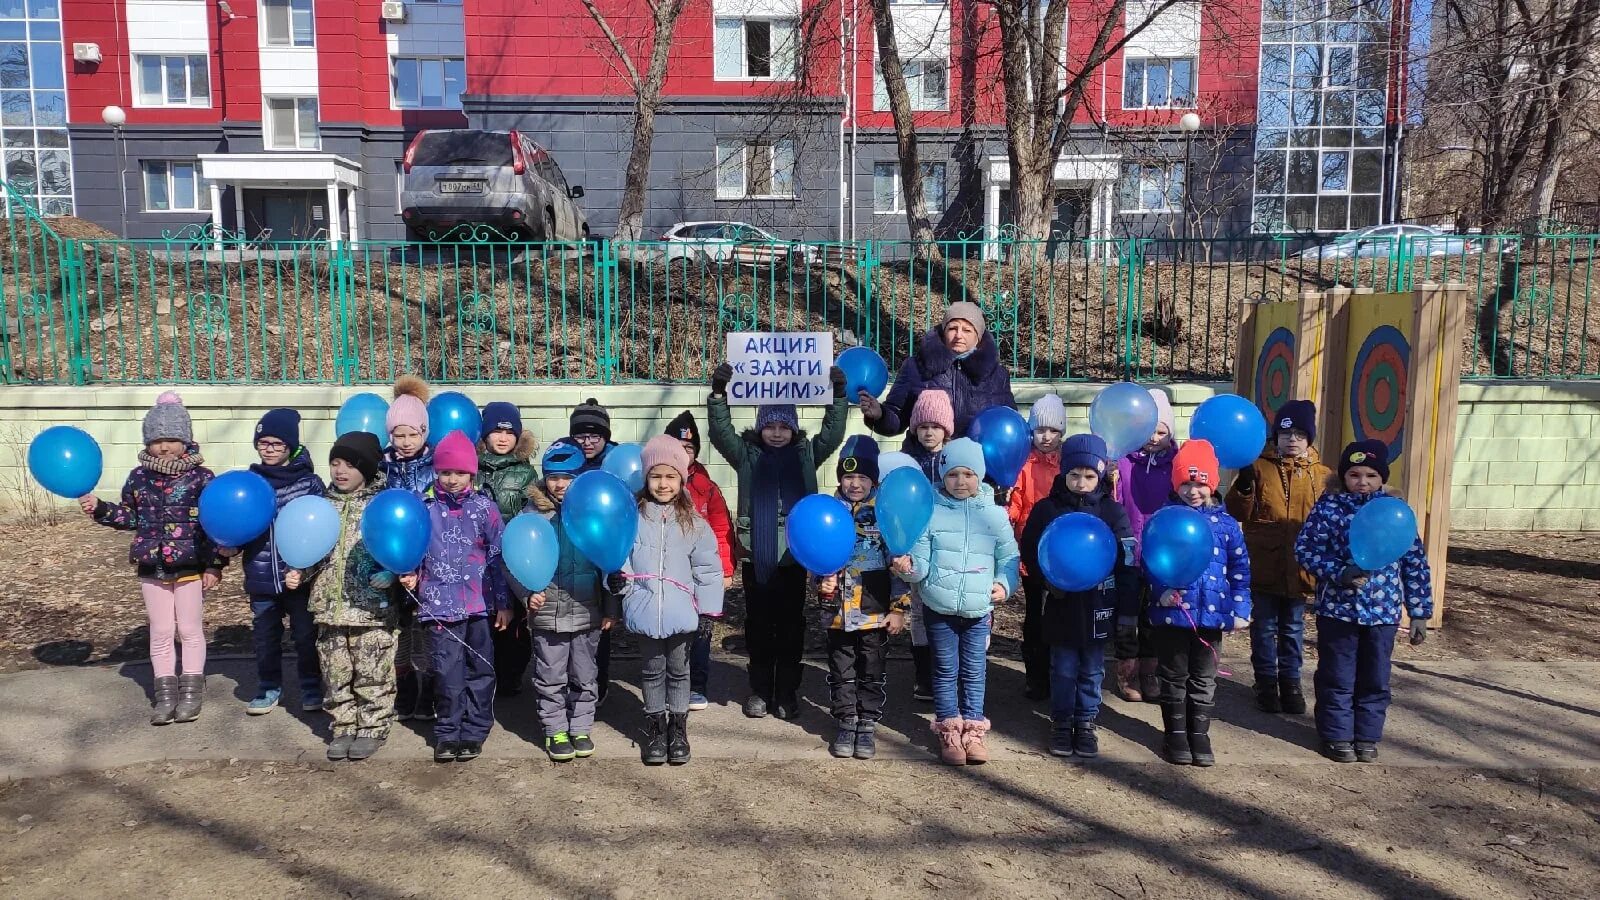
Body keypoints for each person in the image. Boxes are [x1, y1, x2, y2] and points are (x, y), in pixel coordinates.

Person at [708, 362, 849, 721]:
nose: (775, 433)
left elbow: (832, 435)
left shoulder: (806, 454)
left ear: (793, 429)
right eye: (769, 426)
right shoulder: (747, 455)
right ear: (759, 428)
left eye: (783, 426)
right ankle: (759, 689)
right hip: (759, 555)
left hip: (795, 556)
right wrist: (719, 395)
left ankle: (786, 690)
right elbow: (721, 433)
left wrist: (838, 396)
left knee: (790, 627)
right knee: (757, 625)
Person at [80, 392, 224, 726]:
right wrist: (100, 509)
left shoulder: (202, 478)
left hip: (190, 566)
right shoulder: (138, 477)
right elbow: (130, 517)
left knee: (189, 628)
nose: (164, 447)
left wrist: (215, 565)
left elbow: (217, 526)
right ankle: (165, 696)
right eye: (157, 440)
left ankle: (191, 692)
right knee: (160, 630)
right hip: (151, 566)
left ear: (185, 440)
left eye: (172, 439)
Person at [1294, 440, 1432, 764]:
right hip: (1338, 612)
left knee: (1375, 678)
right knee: (1337, 676)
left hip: (1382, 614)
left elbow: (1414, 563)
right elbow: (1305, 550)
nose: (1363, 482)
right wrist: (1339, 572)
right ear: (1344, 476)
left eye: (1371, 474)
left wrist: (1419, 612)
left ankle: (1367, 736)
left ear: (1382, 477)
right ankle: (1336, 735)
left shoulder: (1397, 512)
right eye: (1354, 474)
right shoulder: (1329, 507)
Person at [898, 438, 1020, 767]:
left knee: (974, 670)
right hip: (940, 607)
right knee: (944, 669)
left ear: (980, 476)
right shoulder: (930, 514)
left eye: (968, 474)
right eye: (953, 474)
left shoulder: (995, 516)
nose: (961, 482)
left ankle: (973, 730)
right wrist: (909, 569)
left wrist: (1004, 584)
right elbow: (921, 564)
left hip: (979, 609)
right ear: (942, 476)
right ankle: (949, 728)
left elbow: (1009, 557)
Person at [1019, 434, 1137, 759]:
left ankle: (1085, 722)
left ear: (1100, 475)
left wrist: (1126, 611)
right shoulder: (1047, 510)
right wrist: (1047, 580)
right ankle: (1061, 721)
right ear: (1063, 473)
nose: (1081, 482)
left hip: (1099, 605)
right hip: (1060, 603)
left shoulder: (1113, 513)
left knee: (1092, 669)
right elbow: (1031, 548)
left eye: (1089, 476)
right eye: (1074, 475)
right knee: (1063, 667)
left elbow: (1127, 560)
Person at [609, 436, 725, 765]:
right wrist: (618, 583)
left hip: (682, 613)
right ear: (646, 478)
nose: (663, 484)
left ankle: (678, 729)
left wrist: (708, 611)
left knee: (679, 670)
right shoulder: (631, 519)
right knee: (651, 670)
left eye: (670, 476)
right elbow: (619, 559)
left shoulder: (695, 525)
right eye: (656, 476)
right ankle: (656, 728)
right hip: (645, 610)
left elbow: (708, 569)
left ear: (682, 479)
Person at [399, 431, 506, 764]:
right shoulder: (423, 507)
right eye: (446, 472)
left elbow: (499, 557)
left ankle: (474, 730)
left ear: (471, 473)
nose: (453, 479)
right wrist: (410, 572)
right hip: (438, 604)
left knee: (480, 670)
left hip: (479, 604)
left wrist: (503, 603)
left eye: (460, 472)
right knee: (447, 672)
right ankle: (447, 731)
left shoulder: (485, 509)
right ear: (437, 472)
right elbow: (411, 546)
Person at [1146, 439, 1251, 768]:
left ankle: (1200, 732)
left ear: (1212, 483)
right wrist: (1160, 589)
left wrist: (1240, 608)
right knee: (1174, 674)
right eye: (1186, 483)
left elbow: (1240, 569)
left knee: (1204, 677)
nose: (1193, 491)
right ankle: (1175, 732)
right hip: (1173, 613)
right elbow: (1149, 559)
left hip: (1213, 615)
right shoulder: (1164, 519)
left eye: (1200, 482)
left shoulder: (1227, 525)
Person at [294, 432, 397, 761]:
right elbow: (311, 550)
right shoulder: (322, 507)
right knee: (335, 669)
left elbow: (402, 546)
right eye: (335, 463)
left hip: (370, 607)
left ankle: (373, 724)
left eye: (349, 465)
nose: (340, 471)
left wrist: (393, 573)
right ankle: (343, 725)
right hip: (329, 606)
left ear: (366, 468)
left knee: (372, 669)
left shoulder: (381, 506)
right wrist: (301, 570)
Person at [1225, 399, 1331, 715]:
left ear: (1309, 437)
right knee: (1264, 627)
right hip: (1264, 566)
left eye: (1300, 433)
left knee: (1293, 629)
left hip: (1300, 569)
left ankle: (1291, 683)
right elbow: (1236, 512)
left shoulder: (1323, 475)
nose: (1292, 439)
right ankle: (1266, 683)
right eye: (1286, 433)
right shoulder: (1259, 467)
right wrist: (1244, 485)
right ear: (1275, 436)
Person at [519, 440, 617, 762]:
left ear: (580, 477)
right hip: (548, 613)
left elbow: (609, 561)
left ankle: (581, 726)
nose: (560, 484)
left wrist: (611, 606)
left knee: (585, 675)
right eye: (553, 477)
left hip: (588, 611)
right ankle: (555, 729)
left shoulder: (594, 513)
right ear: (544, 478)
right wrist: (527, 593)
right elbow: (513, 559)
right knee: (550, 675)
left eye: (568, 477)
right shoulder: (533, 515)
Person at [815, 435, 910, 760]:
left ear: (874, 480)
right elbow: (815, 555)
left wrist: (899, 608)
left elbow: (897, 563)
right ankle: (846, 720)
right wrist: (819, 582)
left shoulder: (884, 513)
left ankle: (867, 722)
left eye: (862, 477)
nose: (854, 484)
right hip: (837, 608)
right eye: (848, 476)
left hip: (874, 606)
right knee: (841, 667)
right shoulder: (827, 510)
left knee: (872, 665)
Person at [238, 408, 326, 716]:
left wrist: (303, 567)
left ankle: (311, 687)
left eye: (277, 443)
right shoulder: (249, 483)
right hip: (261, 573)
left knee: (305, 635)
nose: (270, 449)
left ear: (290, 446)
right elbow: (237, 524)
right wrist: (225, 549)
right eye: (264, 443)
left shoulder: (309, 483)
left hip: (299, 576)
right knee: (265, 636)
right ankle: (268, 687)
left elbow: (321, 528)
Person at [858, 302, 1016, 450]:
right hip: (924, 463)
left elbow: (1010, 423)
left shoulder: (997, 375)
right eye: (953, 328)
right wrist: (880, 415)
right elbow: (896, 419)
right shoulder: (915, 367)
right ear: (943, 331)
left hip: (975, 470)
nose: (959, 335)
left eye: (967, 330)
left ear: (978, 337)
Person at [665, 410, 737, 711]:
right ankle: (671, 682)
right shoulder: (659, 483)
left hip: (701, 574)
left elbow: (722, 530)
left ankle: (697, 685)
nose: (685, 453)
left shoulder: (706, 487)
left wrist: (726, 570)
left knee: (701, 632)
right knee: (670, 630)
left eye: (690, 448)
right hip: (668, 572)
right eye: (679, 447)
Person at [1113, 387, 1177, 703]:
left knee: (1153, 615)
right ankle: (1126, 670)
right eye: (1149, 429)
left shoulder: (1177, 465)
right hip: (1127, 552)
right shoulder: (1124, 462)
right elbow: (1115, 500)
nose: (1154, 437)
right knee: (1126, 614)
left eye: (1162, 431)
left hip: (1160, 555)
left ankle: (1150, 671)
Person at [476, 400, 539, 698]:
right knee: (482, 621)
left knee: (513, 621)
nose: (502, 438)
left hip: (510, 556)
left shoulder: (525, 474)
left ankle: (511, 675)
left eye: (509, 432)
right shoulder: (470, 469)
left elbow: (533, 515)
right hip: (475, 557)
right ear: (485, 434)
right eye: (496, 431)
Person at [383, 375, 437, 722]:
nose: (405, 442)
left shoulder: (436, 468)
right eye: (398, 435)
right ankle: (405, 692)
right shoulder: (380, 467)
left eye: (412, 434)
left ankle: (429, 690)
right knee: (400, 631)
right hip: (389, 561)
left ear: (424, 433)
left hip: (429, 562)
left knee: (427, 630)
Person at [1008, 393, 1066, 700]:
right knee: (1035, 615)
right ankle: (1035, 673)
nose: (1046, 436)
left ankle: (1060, 672)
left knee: (1059, 613)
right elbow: (1016, 502)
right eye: (1040, 430)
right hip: (1030, 549)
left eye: (1053, 430)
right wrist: (1007, 519)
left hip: (1062, 553)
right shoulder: (1023, 463)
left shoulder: (1067, 464)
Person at [902, 388, 955, 701]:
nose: (929, 432)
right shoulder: (906, 462)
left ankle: (945, 672)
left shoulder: (956, 460)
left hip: (948, 548)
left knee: (945, 610)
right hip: (917, 547)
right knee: (920, 613)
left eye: (935, 427)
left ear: (946, 430)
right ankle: (923, 675)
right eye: (923, 426)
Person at [568, 397, 616, 473]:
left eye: (594, 436)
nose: (587, 443)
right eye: (580, 437)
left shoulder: (617, 461)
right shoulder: (564, 458)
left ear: (606, 438)